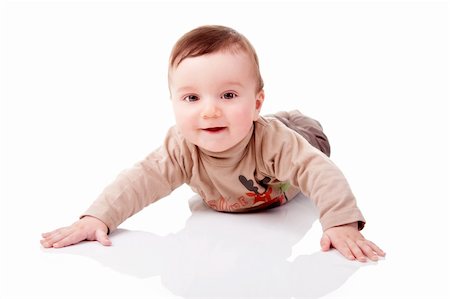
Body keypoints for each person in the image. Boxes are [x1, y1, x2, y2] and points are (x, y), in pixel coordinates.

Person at [41, 25, 385, 262]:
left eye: (228, 94)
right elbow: (140, 179)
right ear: (173, 103)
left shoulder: (275, 144)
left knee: (308, 139)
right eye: (191, 97)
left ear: (256, 102)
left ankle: (288, 121)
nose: (210, 111)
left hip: (294, 134)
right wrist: (97, 217)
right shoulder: (182, 148)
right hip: (247, 161)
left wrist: (340, 222)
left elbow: (319, 172)